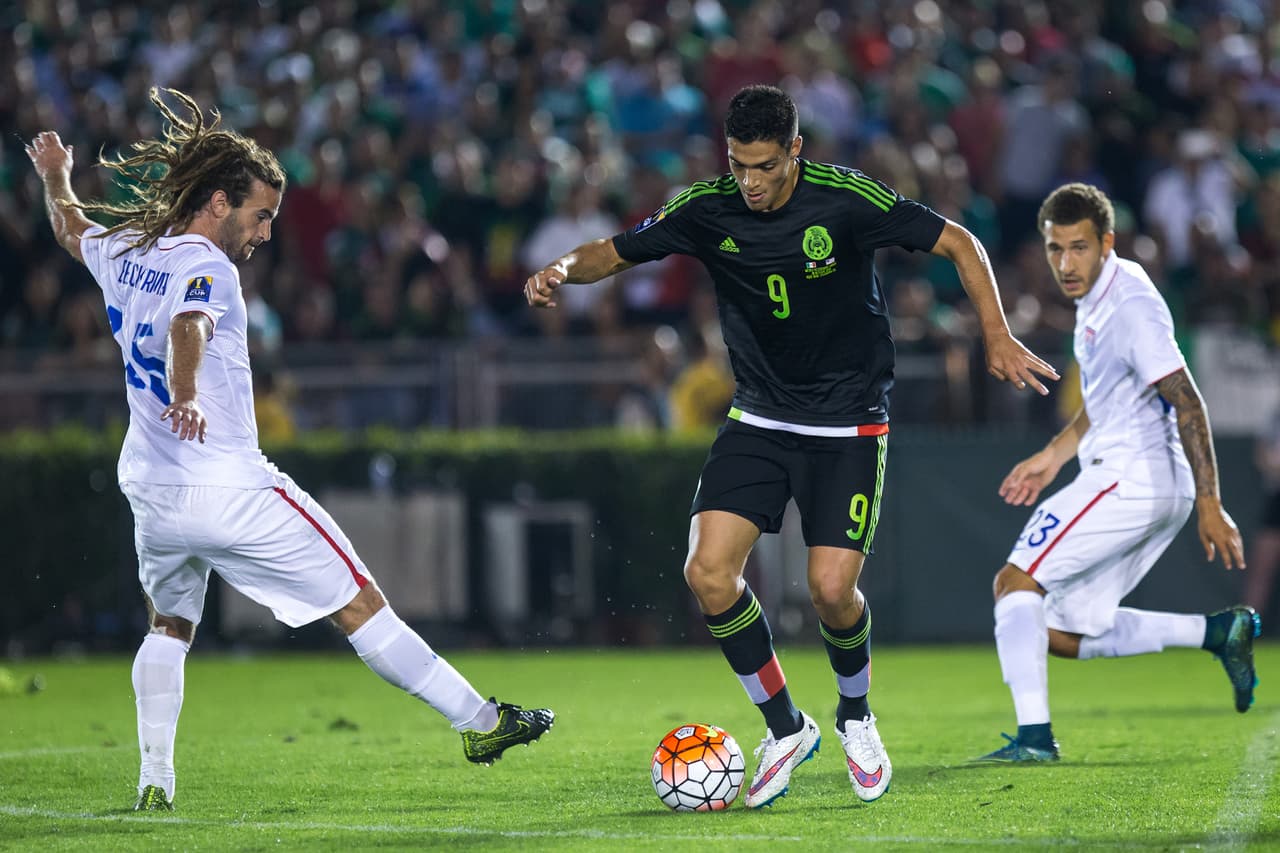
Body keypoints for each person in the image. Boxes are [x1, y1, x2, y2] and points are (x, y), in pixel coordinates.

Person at [524, 85, 1058, 807]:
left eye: (766, 165)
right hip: (762, 418)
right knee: (708, 572)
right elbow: (613, 252)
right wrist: (560, 268)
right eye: (740, 164)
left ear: (796, 152)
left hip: (849, 421)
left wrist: (995, 333)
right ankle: (786, 725)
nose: (751, 181)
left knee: (833, 591)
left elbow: (959, 241)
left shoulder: (845, 199)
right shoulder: (706, 208)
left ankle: (856, 715)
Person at [26, 88, 553, 812]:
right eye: (260, 214)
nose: (267, 232)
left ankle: (155, 782)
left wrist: (56, 173)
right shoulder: (207, 266)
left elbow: (68, 226)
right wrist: (184, 393)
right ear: (216, 203)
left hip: (151, 486)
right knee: (362, 604)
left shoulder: (126, 252)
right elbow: (191, 327)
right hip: (229, 485)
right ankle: (483, 722)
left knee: (169, 625)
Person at [978, 183, 1258, 763]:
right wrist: (1054, 454)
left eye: (1079, 247)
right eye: (1055, 249)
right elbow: (1106, 396)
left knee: (1014, 584)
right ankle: (1219, 633)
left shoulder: (1129, 302)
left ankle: (1034, 741)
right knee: (1057, 632)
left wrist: (1211, 500)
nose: (1065, 263)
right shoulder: (1099, 296)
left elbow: (1187, 400)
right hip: (1145, 482)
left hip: (1130, 478)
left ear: (1106, 241)